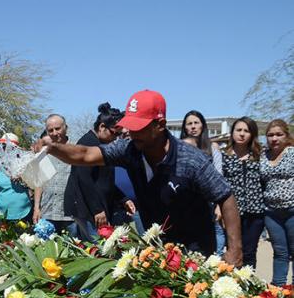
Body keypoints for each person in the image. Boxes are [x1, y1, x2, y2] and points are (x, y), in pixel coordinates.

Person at [39, 90, 242, 264]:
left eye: (139, 127)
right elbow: (85, 154)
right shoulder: (129, 150)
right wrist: (53, 148)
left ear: (160, 125)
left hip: (194, 248)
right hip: (157, 244)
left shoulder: (189, 160)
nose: (131, 132)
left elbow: (225, 195)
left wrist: (234, 250)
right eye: (130, 126)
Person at [64, 103, 136, 241]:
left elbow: (104, 181)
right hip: (88, 208)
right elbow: (84, 179)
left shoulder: (102, 146)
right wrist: (97, 209)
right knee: (99, 249)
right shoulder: (88, 143)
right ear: (102, 127)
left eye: (120, 134)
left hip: (95, 205)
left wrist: (123, 198)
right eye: (115, 133)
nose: (116, 138)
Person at [180, 110, 225, 255]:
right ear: (184, 128)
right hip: (185, 205)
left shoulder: (213, 149)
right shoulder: (178, 148)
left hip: (209, 203)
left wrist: (219, 205)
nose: (193, 127)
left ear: (202, 126)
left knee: (211, 243)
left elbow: (219, 176)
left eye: (196, 123)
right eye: (189, 124)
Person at [222, 117, 264, 268]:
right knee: (233, 251)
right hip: (232, 213)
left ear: (252, 135)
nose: (242, 134)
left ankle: (249, 287)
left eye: (246, 131)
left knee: (250, 252)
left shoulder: (260, 155)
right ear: (232, 132)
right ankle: (233, 287)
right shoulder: (223, 156)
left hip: (256, 212)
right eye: (238, 130)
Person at [260, 119, 294, 285]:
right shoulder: (263, 155)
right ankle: (278, 290)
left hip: (292, 210)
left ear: (286, 136)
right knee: (280, 252)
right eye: (270, 135)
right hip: (272, 213)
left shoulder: (292, 153)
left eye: (279, 134)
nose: (274, 138)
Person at [33, 114, 78, 234]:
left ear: (66, 128)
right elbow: (39, 181)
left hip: (71, 214)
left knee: (75, 248)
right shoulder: (43, 152)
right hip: (47, 211)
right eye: (50, 130)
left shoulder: (76, 149)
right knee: (45, 250)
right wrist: (36, 208)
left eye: (57, 128)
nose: (54, 133)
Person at [0, 133, 33, 221]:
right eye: (3, 146)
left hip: (24, 212)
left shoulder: (23, 163)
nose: (5, 149)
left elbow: (35, 185)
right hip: (1, 214)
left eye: (9, 147)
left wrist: (22, 179)